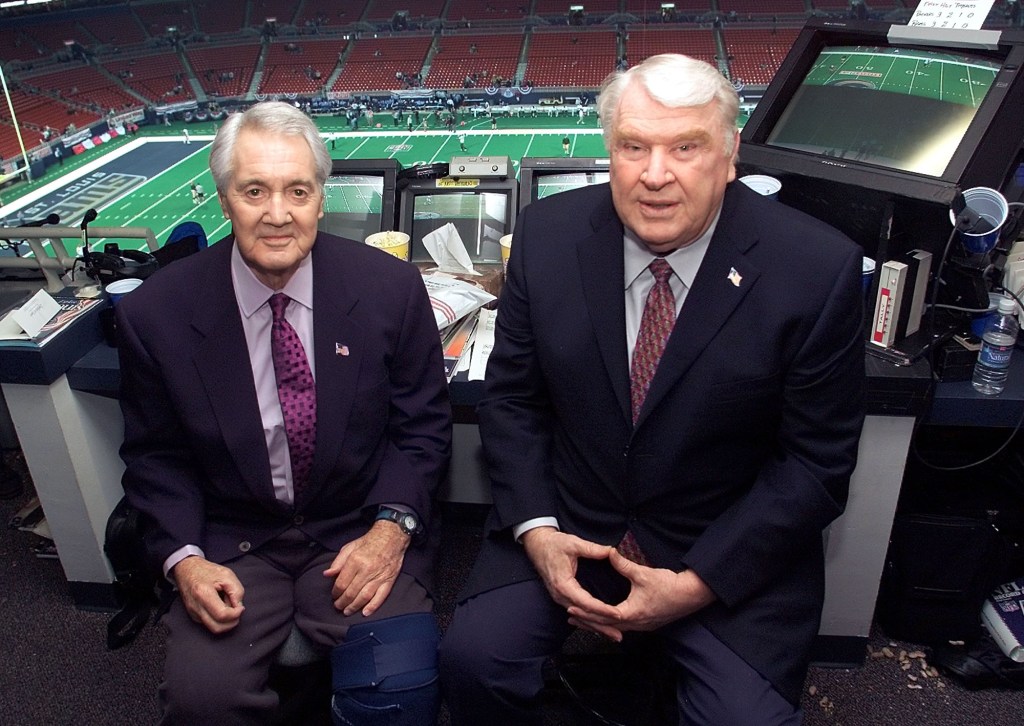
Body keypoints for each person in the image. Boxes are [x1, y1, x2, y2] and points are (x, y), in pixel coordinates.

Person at [439, 53, 865, 725]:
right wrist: (539, 531)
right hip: (570, 524)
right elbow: (513, 402)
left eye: (685, 147)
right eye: (633, 147)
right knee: (474, 664)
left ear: (729, 156)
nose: (656, 175)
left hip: (722, 548)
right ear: (610, 152)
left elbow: (815, 465)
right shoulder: (548, 239)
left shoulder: (817, 270)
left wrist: (696, 584)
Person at [116, 101, 452, 725]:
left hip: (355, 528)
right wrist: (184, 560)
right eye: (254, 191)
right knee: (203, 703)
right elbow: (155, 458)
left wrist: (389, 530)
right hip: (232, 543)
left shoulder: (390, 289)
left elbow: (421, 429)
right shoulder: (155, 314)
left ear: (322, 199)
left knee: (402, 686)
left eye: (297, 190)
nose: (277, 214)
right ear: (223, 200)